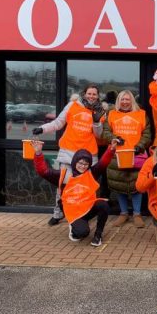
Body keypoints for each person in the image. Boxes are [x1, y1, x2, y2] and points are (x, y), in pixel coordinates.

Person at [32, 85, 105, 226]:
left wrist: (96, 121)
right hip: (68, 152)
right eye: (89, 93)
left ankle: (85, 213)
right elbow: (58, 123)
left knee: (87, 187)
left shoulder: (100, 111)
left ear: (97, 96)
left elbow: (98, 135)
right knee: (63, 185)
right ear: (84, 94)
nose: (91, 96)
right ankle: (58, 213)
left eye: (94, 94)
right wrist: (43, 128)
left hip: (88, 156)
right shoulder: (72, 105)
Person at [31, 138, 117, 246]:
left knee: (103, 205)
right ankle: (74, 226)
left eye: (86, 164)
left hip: (87, 207)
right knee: (82, 233)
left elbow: (103, 163)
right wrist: (38, 153)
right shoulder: (64, 175)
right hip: (72, 210)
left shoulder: (91, 173)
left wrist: (111, 149)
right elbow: (43, 171)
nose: (83, 166)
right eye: (80, 163)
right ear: (75, 161)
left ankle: (98, 235)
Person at [102, 90, 152, 228]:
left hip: (136, 154)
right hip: (116, 155)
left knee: (137, 185)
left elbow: (147, 134)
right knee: (119, 184)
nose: (125, 102)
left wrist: (140, 146)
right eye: (122, 99)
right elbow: (105, 132)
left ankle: (137, 214)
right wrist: (113, 138)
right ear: (118, 101)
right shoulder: (111, 114)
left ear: (132, 101)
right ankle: (123, 213)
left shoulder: (141, 114)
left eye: (127, 99)